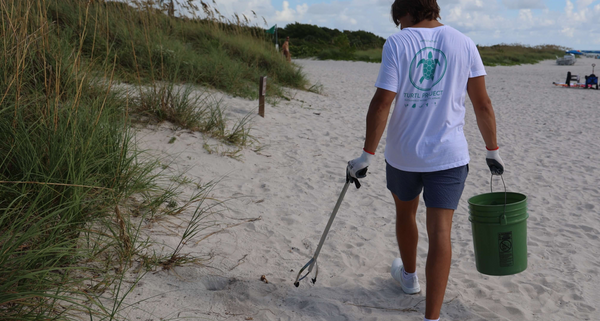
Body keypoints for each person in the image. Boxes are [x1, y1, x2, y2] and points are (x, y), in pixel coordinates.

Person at [346, 1, 505, 320]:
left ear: (406, 12)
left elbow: (381, 103)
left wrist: (367, 154)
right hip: (449, 155)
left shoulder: (397, 43)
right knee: (440, 231)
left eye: (399, 20)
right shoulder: (464, 42)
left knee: (405, 214)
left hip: (404, 154)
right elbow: (482, 103)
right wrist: (492, 150)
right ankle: (431, 317)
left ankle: (409, 278)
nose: (399, 27)